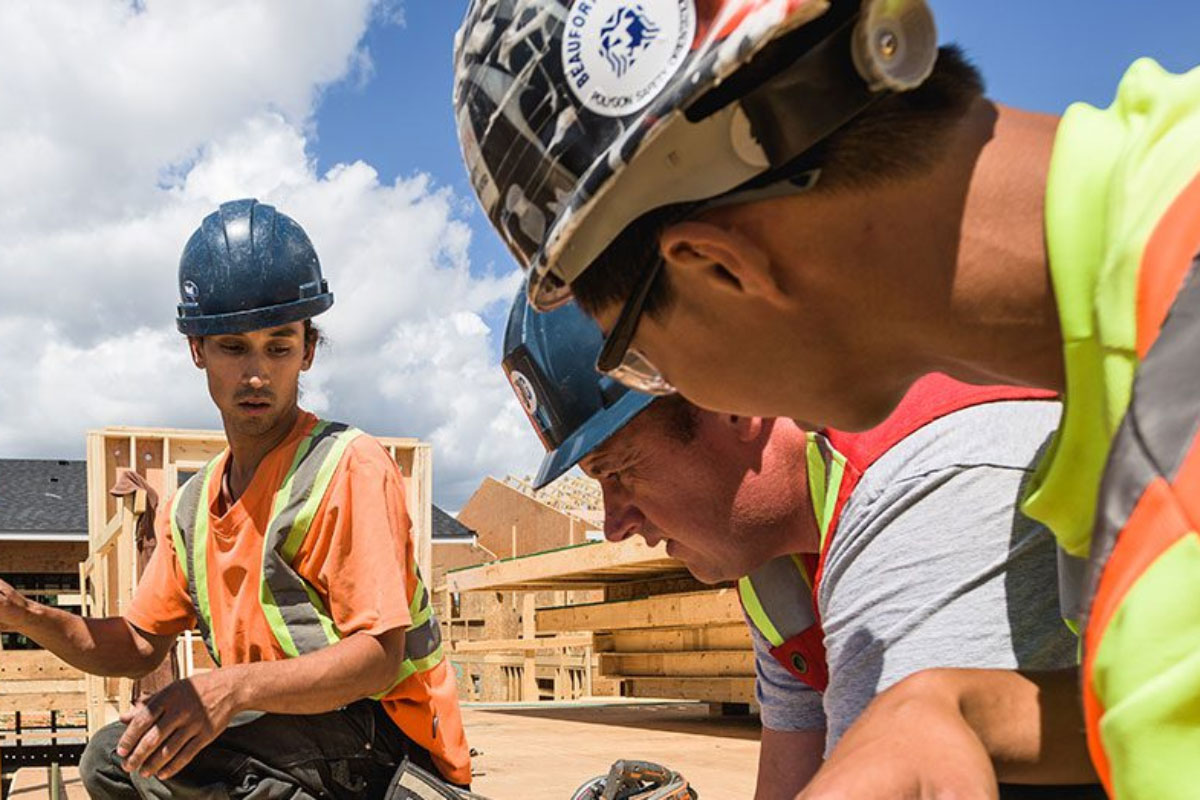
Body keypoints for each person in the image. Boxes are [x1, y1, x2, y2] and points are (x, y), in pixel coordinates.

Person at [455, 2, 1200, 796]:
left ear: (718, 266)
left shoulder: (1162, 439)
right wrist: (957, 707)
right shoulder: (1141, 316)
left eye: (642, 363)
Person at [502, 288, 1101, 799]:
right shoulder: (776, 562)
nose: (614, 523)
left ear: (730, 401)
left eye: (620, 471)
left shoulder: (923, 487)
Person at [0, 199, 470, 797]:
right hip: (291, 737)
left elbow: (378, 658)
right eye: (232, 347)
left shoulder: (347, 466)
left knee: (204, 764)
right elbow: (140, 645)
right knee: (114, 761)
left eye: (278, 347)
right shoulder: (190, 509)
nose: (257, 375)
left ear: (308, 351)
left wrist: (232, 689)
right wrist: (26, 615)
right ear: (196, 349)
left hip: (387, 746)